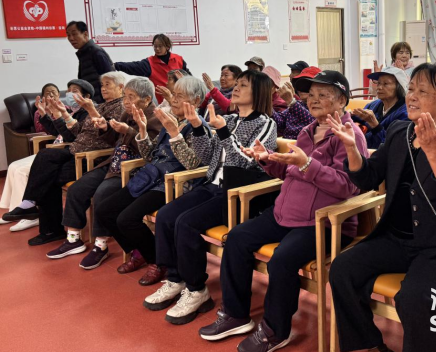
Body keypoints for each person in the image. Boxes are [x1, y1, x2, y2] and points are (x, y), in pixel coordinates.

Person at [199, 70, 369, 352]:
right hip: (285, 213)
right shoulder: (307, 131)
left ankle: (275, 330)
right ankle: (235, 314)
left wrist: (307, 165)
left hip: (324, 223)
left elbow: (348, 187)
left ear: (342, 100)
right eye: (310, 95)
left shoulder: (350, 135)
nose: (313, 100)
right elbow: (289, 170)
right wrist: (268, 160)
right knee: (237, 237)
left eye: (323, 95)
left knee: (282, 259)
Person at [328, 63, 436, 352]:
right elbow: (368, 178)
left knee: (415, 298)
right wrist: (352, 149)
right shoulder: (399, 131)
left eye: (423, 91)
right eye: (411, 89)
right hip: (395, 239)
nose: (412, 96)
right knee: (342, 269)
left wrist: (435, 152)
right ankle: (368, 345)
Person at [143, 70, 277, 325]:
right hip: (212, 185)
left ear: (258, 92)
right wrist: (197, 126)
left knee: (186, 223)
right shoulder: (229, 118)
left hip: (235, 194)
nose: (235, 88)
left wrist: (223, 131)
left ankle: (196, 290)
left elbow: (246, 162)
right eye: (236, 84)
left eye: (243, 85)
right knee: (167, 215)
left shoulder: (266, 124)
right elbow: (207, 158)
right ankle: (175, 279)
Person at [94, 76, 211, 286]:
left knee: (126, 219)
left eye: (180, 96)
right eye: (173, 95)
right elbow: (150, 156)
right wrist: (142, 130)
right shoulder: (170, 119)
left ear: (195, 101)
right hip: (150, 177)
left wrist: (175, 134)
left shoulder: (198, 127)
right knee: (104, 210)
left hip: (173, 184)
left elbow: (193, 165)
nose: (174, 100)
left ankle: (158, 261)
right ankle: (139, 251)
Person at [45, 77, 162, 269]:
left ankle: (100, 245)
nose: (126, 101)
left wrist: (129, 131)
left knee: (102, 194)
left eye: (131, 97)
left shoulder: (156, 118)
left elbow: (151, 153)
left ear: (147, 99)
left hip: (133, 169)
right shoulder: (126, 113)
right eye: (125, 96)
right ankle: (73, 239)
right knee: (77, 188)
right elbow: (113, 141)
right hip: (114, 163)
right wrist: (106, 127)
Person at [2, 73, 126, 246]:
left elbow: (110, 136)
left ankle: (44, 222)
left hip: (91, 157)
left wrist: (88, 111)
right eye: (102, 85)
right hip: (76, 149)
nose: (103, 88)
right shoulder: (100, 105)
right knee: (46, 164)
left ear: (120, 87)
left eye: (108, 84)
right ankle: (41, 219)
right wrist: (62, 114)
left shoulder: (121, 108)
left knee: (47, 174)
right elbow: (77, 131)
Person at [0, 83, 63, 231]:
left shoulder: (67, 110)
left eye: (54, 92)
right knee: (13, 166)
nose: (51, 96)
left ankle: (30, 216)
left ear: (60, 95)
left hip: (58, 150)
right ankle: (15, 211)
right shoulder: (40, 111)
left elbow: (67, 131)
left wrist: (58, 114)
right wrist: (45, 114)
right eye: (48, 93)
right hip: (49, 148)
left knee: (22, 171)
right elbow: (43, 130)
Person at [114, 34, 191, 103]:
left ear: (167, 47)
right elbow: (132, 66)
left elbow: (190, 79)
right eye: (155, 46)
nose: (157, 49)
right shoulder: (149, 63)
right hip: (165, 103)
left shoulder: (178, 59)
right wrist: (115, 65)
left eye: (160, 46)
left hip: (183, 100)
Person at [352, 66, 408, 149]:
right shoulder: (373, 105)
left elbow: (393, 145)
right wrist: (348, 115)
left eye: (385, 84)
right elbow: (358, 118)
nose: (379, 87)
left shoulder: (405, 113)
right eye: (378, 83)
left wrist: (375, 126)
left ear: (399, 87)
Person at [66, 21, 114, 104]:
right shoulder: (83, 54)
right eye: (68, 35)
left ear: (85, 34)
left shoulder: (96, 52)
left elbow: (111, 78)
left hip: (102, 103)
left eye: (74, 34)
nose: (71, 38)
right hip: (92, 102)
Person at [272, 66, 320, 139]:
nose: (302, 88)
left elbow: (315, 122)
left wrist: (291, 102)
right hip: (286, 144)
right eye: (300, 84)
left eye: (307, 84)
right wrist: (265, 104)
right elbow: (279, 122)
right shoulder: (298, 104)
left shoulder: (320, 106)